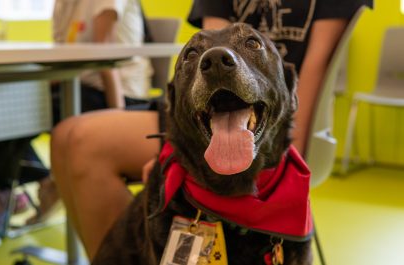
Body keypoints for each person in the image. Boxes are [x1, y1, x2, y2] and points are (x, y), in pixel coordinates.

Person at [50, 0, 372, 259]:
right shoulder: (207, 66)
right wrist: (170, 151)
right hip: (200, 109)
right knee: (67, 135)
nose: (217, 58)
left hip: (278, 110)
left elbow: (314, 68)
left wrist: (286, 173)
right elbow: (212, 49)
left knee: (81, 141)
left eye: (250, 44)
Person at [0, 0, 152, 229]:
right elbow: (61, 56)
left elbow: (105, 57)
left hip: (114, 92)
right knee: (6, 114)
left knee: (11, 117)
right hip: (77, 84)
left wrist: (118, 116)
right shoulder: (63, 4)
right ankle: (5, 193)